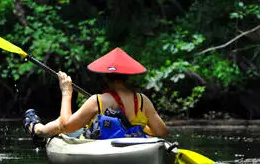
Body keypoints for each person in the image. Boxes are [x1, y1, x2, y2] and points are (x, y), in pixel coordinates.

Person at [23, 47, 167, 139]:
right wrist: (138, 125)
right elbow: (161, 132)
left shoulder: (97, 101)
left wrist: (67, 92)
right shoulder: (143, 101)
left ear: (104, 76)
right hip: (135, 148)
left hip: (104, 148)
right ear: (127, 76)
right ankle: (37, 129)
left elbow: (65, 126)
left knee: (59, 125)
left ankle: (36, 129)